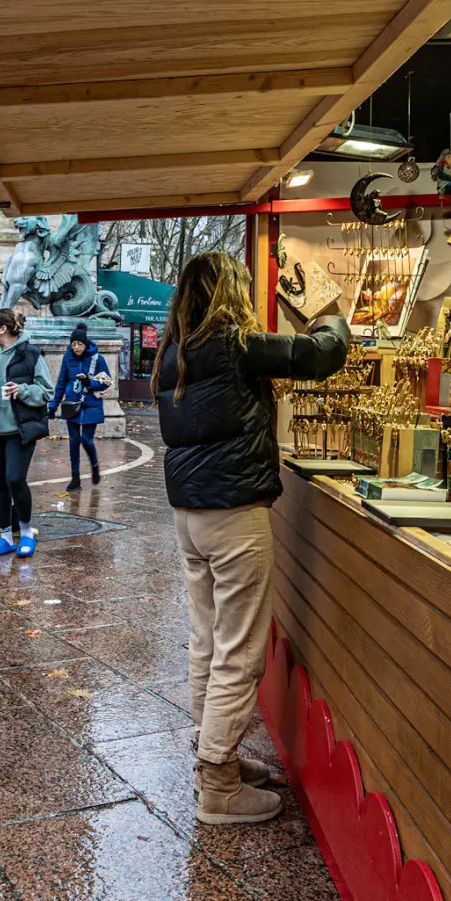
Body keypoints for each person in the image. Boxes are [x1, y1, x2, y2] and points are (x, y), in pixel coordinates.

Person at [155, 251, 349, 826]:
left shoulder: (174, 352)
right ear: (228, 293)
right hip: (235, 513)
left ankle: (215, 755)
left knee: (207, 641)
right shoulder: (236, 344)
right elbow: (321, 356)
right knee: (239, 651)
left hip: (189, 514)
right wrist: (328, 310)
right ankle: (216, 782)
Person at [0, 309, 52, 558]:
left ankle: (26, 531)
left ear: (4, 328)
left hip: (18, 429)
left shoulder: (31, 354)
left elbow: (46, 391)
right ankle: (6, 535)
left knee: (15, 478)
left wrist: (23, 390)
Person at [49, 320, 113, 491]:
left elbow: (107, 382)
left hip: (91, 404)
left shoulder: (97, 358)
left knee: (86, 440)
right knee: (73, 441)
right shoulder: (67, 358)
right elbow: (61, 382)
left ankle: (94, 466)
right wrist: (53, 405)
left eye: (79, 344)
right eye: (73, 344)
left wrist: (89, 382)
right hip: (72, 404)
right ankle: (75, 477)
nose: (76, 347)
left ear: (85, 344)